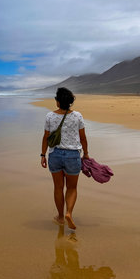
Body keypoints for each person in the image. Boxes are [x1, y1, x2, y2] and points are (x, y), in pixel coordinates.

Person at [40, 87, 89, 229]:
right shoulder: (78, 116)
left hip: (55, 154)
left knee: (58, 187)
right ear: (70, 102)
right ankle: (69, 213)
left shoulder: (49, 116)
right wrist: (85, 154)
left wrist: (43, 155)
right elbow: (83, 137)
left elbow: (46, 137)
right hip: (73, 155)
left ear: (58, 102)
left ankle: (61, 217)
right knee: (72, 188)